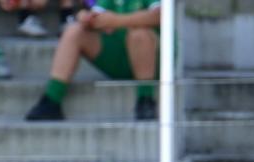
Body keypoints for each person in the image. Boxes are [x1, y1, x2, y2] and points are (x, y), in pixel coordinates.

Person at [25, 0, 161, 121]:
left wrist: (117, 21)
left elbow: (161, 15)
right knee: (74, 30)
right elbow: (98, 13)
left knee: (139, 35)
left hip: (154, 60)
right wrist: (87, 18)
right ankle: (51, 99)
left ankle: (146, 99)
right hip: (117, 53)